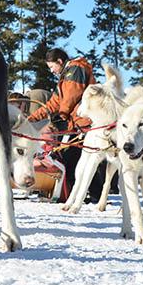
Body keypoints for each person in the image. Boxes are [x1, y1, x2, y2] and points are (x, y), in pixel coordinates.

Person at [26, 48, 108, 203]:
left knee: (73, 157)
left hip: (86, 121)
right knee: (76, 158)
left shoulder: (75, 69)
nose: (51, 71)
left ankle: (84, 193)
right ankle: (85, 192)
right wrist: (31, 119)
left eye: (52, 67)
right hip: (76, 123)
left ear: (59, 61)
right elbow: (53, 103)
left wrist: (62, 115)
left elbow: (72, 95)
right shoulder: (64, 78)